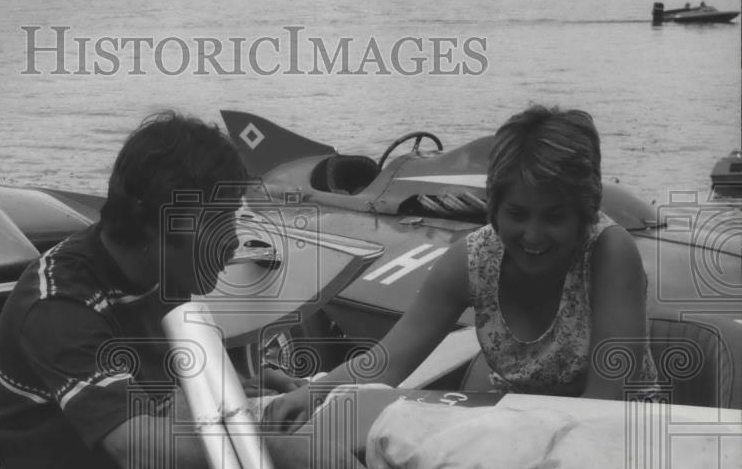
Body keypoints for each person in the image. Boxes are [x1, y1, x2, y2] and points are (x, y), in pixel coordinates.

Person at [0, 111, 379, 469]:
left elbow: (167, 365)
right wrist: (282, 452)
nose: (233, 241)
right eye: (221, 220)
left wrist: (246, 383)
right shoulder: (59, 305)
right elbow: (138, 449)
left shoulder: (163, 271)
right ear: (160, 225)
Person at [264, 105, 658, 428]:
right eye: (517, 214)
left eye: (554, 217)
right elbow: (388, 360)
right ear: (494, 208)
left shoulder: (610, 253)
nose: (533, 235)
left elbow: (606, 401)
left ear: (584, 213)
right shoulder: (473, 260)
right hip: (515, 432)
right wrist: (312, 394)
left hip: (617, 441)